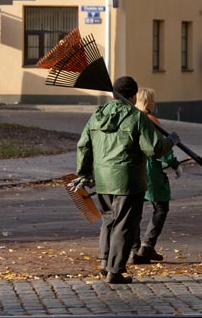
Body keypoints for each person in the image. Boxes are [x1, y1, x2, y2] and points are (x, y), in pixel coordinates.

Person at [71, 76, 180, 284]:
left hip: (103, 179)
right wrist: (171, 140)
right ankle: (115, 270)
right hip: (127, 180)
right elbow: (153, 149)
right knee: (125, 224)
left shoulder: (97, 114)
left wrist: (84, 174)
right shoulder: (137, 117)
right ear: (133, 96)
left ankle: (105, 262)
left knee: (108, 220)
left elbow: (83, 145)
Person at [129, 87, 183, 264]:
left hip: (133, 168)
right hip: (150, 170)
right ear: (148, 102)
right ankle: (147, 246)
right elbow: (161, 148)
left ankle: (134, 249)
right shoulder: (150, 121)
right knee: (161, 207)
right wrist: (174, 164)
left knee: (134, 210)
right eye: (153, 100)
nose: (155, 103)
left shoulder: (131, 119)